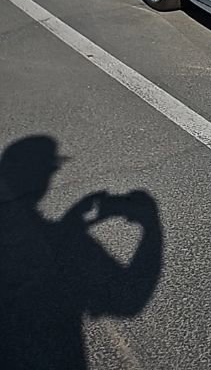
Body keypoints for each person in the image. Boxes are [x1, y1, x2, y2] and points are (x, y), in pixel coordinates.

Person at [0, 135, 163, 369]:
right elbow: (129, 301)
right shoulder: (43, 243)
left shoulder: (31, 231)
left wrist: (71, 223)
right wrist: (150, 223)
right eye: (51, 167)